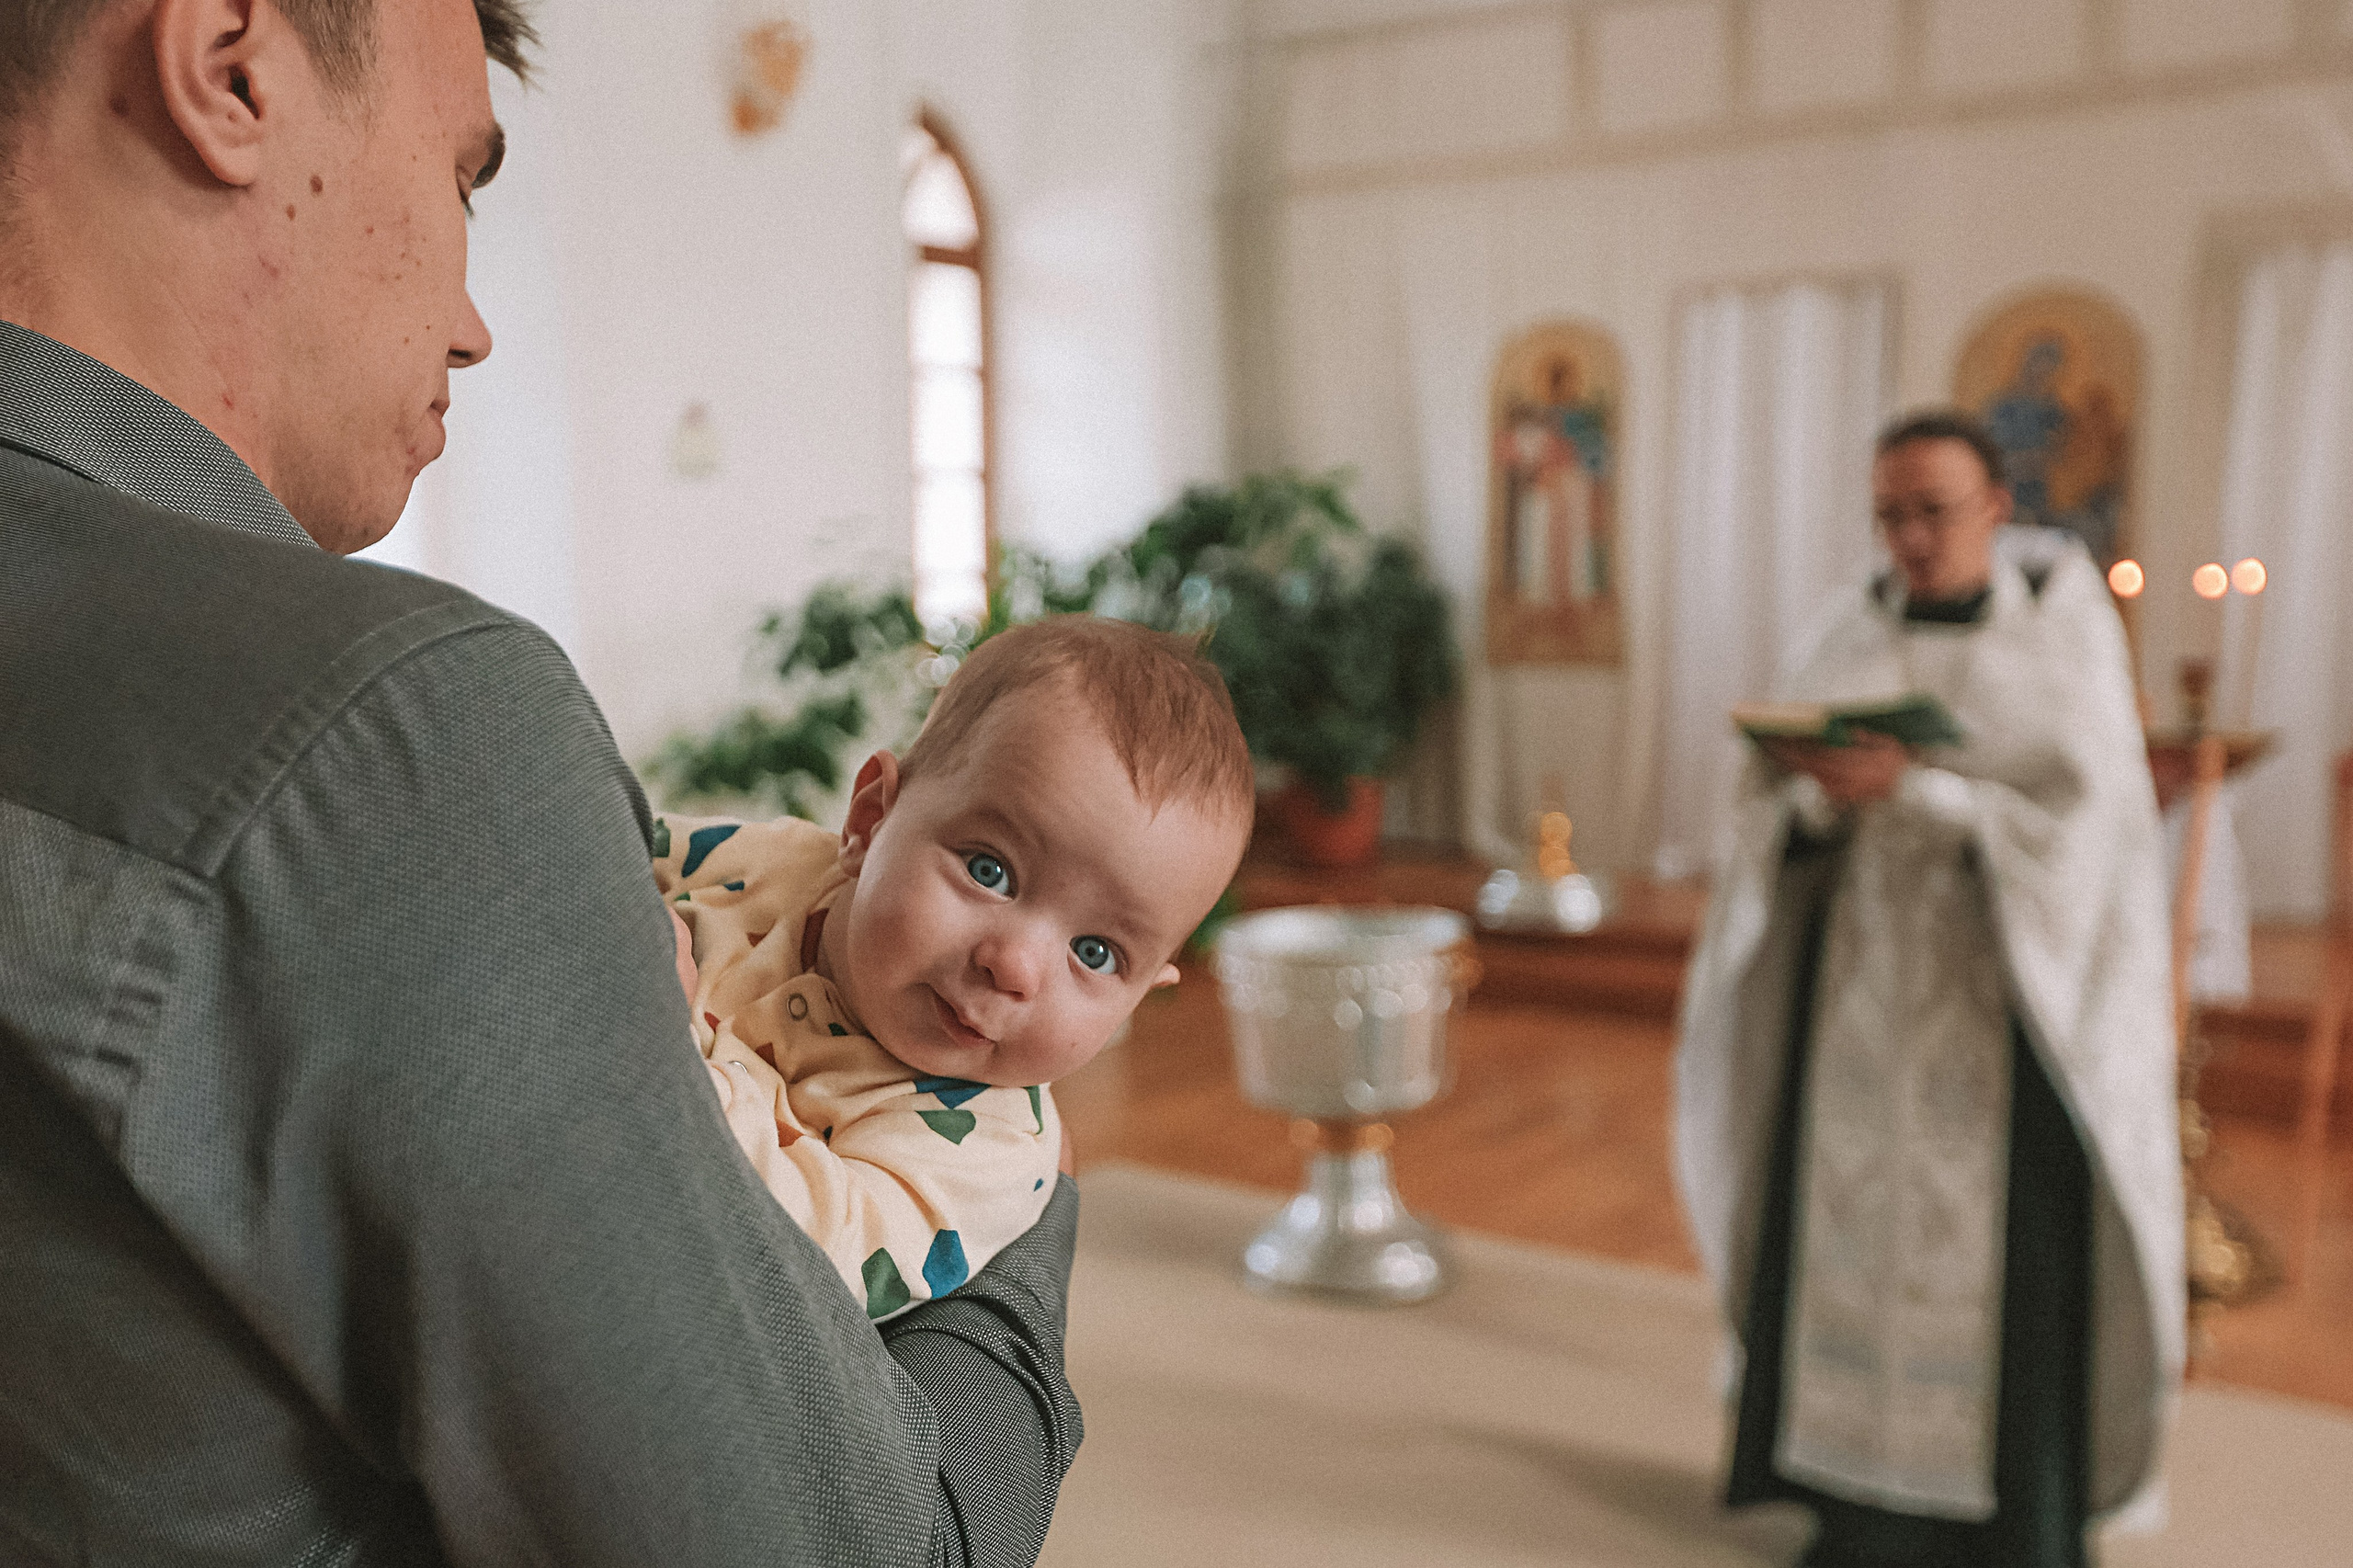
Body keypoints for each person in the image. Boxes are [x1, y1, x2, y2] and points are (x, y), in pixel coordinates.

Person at [0, 2, 1081, 1562]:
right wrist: (1010, 1150)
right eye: (463, 178)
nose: (473, 318)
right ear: (230, 68)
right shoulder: (388, 743)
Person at [1675, 411, 2183, 1568]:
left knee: (2005, 1259)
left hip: (2005, 1015)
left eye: (1931, 510)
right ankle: (1856, 1511)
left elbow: (2090, 834)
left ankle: (2014, 1522)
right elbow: (1764, 815)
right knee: (1841, 1238)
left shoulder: (2061, 642)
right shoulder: (1843, 629)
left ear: (1997, 508)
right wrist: (1811, 798)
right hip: (1860, 998)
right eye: (1888, 514)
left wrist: (1924, 793)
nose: (1907, 537)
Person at [659, 618, 1252, 1321]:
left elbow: (805, 1265)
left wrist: (662, 1030)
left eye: (1095, 953)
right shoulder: (772, 863)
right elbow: (597, 841)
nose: (1014, 967)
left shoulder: (986, 1148)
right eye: (989, 871)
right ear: (870, 821)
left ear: (1136, 1000)